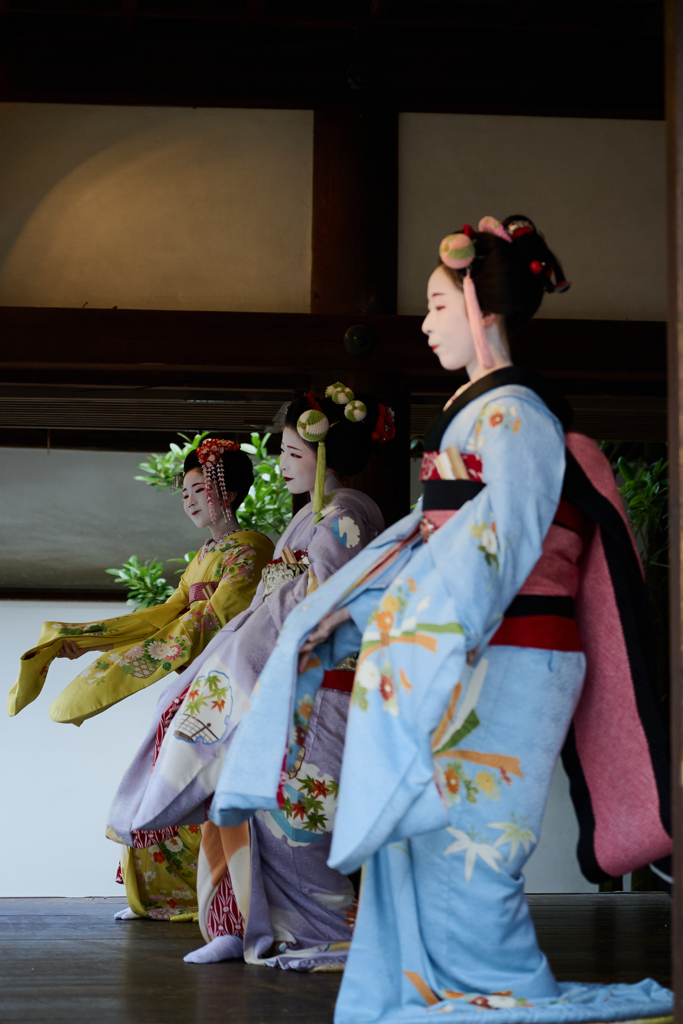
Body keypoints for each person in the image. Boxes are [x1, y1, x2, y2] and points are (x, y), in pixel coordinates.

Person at [213, 217, 672, 1022]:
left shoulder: (514, 414)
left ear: (475, 304)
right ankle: (434, 986)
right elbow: (430, 539)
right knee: (429, 830)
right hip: (473, 644)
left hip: (508, 647)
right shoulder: (483, 413)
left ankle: (491, 986)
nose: (424, 325)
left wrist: (405, 627)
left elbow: (493, 544)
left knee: (478, 839)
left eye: (434, 304)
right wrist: (344, 608)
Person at [106, 385, 390, 966]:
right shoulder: (308, 520)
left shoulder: (347, 515)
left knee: (295, 817)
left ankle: (321, 931)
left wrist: (246, 647)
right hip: (277, 677)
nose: (281, 464)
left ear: (326, 455)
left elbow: (325, 605)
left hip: (316, 682)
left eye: (291, 453)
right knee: (237, 801)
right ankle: (236, 924)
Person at [8, 438, 274, 922]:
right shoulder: (204, 556)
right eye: (184, 493)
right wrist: (90, 641)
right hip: (197, 676)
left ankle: (219, 896)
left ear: (226, 492)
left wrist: (132, 660)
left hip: (229, 675)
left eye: (198, 489)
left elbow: (215, 619)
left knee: (197, 783)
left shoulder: (253, 548)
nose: (189, 500)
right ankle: (165, 893)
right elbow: (166, 614)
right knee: (166, 774)